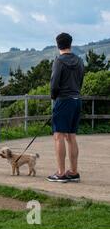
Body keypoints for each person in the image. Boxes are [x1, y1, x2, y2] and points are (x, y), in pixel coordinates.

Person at [47, 33, 85, 183]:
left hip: (64, 100)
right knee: (71, 136)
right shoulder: (80, 60)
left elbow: (54, 83)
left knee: (59, 136)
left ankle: (61, 173)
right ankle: (73, 172)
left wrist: (54, 97)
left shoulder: (59, 61)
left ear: (57, 45)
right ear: (70, 44)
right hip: (77, 99)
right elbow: (81, 80)